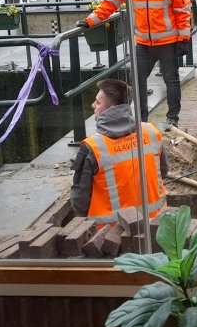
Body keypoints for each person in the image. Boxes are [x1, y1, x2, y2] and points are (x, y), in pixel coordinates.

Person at [79, 0, 191, 128]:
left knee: (171, 80)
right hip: (143, 42)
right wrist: (90, 21)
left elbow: (183, 9)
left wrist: (183, 38)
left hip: (167, 40)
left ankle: (173, 119)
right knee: (137, 81)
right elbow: (111, 1)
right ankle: (141, 121)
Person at [70, 78, 167, 224]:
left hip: (111, 233)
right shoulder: (151, 132)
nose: (93, 105)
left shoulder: (93, 147)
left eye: (97, 102)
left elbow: (80, 201)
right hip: (156, 223)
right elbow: (163, 171)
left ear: (111, 109)